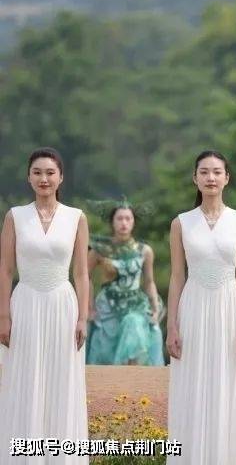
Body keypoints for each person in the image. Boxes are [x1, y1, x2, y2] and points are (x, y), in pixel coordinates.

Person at [166, 150, 236, 464]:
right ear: (195, 178)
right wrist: (172, 326)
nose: (211, 178)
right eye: (204, 172)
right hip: (193, 308)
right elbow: (177, 277)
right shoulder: (181, 223)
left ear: (227, 178)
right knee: (192, 384)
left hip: (229, 308)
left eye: (217, 172)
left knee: (228, 385)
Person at [0, 147, 89, 464]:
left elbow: (81, 272)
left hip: (63, 305)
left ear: (61, 177)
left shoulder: (76, 217)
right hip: (25, 303)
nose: (44, 179)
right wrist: (4, 315)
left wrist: (83, 318)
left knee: (61, 381)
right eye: (37, 172)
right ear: (28, 177)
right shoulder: (15, 216)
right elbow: (5, 270)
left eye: (50, 173)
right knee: (24, 379)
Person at [85, 199, 165, 365]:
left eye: (128, 219)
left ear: (134, 222)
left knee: (134, 325)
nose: (124, 223)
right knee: (104, 351)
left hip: (136, 305)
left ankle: (134, 376)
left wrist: (155, 308)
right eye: (120, 218)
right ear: (112, 222)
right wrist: (89, 307)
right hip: (108, 306)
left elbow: (149, 281)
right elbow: (85, 277)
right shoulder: (100, 250)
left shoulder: (144, 251)